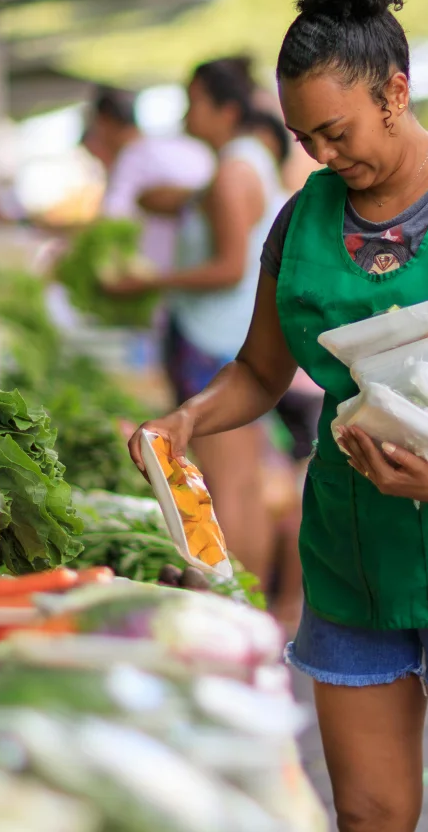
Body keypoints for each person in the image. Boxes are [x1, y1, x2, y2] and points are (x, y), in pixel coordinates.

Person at [129, 0, 428, 832]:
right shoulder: (301, 218)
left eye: (339, 132)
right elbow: (261, 369)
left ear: (393, 94)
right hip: (352, 550)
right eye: (304, 139)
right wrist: (188, 416)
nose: (325, 154)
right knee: (368, 812)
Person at [109, 58, 285, 582]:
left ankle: (240, 607)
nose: (186, 115)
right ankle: (254, 611)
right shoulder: (244, 163)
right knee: (244, 481)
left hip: (215, 344)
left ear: (225, 109)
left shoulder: (232, 172)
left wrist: (150, 282)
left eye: (194, 102)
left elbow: (230, 267)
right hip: (232, 337)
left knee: (227, 486)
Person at [86, 86, 214, 272]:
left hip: (163, 279)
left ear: (104, 123)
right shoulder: (192, 149)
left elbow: (110, 220)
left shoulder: (132, 158)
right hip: (201, 271)